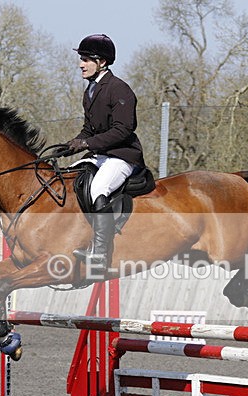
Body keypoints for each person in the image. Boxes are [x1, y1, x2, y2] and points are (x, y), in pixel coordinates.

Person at [63, 33, 145, 271]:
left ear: (103, 62)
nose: (81, 64)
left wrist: (87, 144)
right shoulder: (90, 91)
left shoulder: (119, 89)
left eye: (87, 59)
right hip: (100, 156)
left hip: (122, 156)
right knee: (68, 178)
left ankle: (99, 253)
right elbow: (89, 129)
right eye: (81, 58)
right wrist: (73, 143)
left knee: (99, 188)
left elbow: (123, 130)